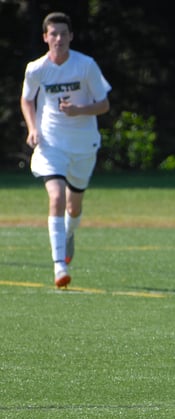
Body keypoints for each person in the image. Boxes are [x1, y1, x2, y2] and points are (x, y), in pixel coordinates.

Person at [20, 12, 111, 288]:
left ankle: (69, 233)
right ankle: (59, 266)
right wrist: (32, 129)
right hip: (52, 144)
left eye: (63, 33)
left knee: (74, 205)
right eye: (53, 34)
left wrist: (78, 111)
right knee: (57, 197)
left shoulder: (86, 66)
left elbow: (104, 104)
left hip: (83, 144)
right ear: (45, 37)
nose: (58, 39)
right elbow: (27, 100)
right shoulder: (36, 69)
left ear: (71, 36)